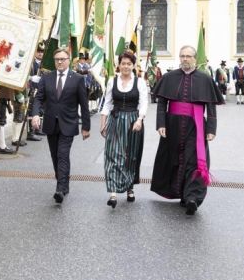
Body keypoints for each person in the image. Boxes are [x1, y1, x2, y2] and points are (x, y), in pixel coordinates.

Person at [151, 45, 223, 216]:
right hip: (172, 125)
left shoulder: (205, 79)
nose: (185, 59)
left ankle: (192, 198)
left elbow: (211, 106)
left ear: (195, 59)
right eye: (182, 56)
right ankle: (179, 192)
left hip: (196, 126)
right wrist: (161, 124)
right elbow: (162, 103)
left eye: (188, 56)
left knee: (195, 161)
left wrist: (211, 128)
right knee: (174, 159)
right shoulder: (169, 77)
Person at [30, 48, 91, 204]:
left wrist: (86, 127)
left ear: (68, 60)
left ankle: (59, 189)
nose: (59, 62)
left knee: (62, 154)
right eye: (57, 59)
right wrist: (36, 114)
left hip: (68, 123)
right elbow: (38, 98)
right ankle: (64, 182)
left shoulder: (77, 79)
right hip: (51, 123)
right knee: (55, 156)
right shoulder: (47, 77)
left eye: (62, 59)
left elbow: (84, 105)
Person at [99, 51, 148, 208]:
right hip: (115, 120)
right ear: (119, 65)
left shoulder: (139, 82)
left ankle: (129, 187)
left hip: (133, 121)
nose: (125, 66)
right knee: (112, 154)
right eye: (123, 63)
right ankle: (113, 192)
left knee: (130, 155)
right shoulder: (112, 81)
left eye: (129, 63)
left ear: (133, 65)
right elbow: (107, 103)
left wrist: (140, 120)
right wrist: (102, 123)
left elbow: (144, 102)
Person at [25, 42, 45, 141]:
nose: (40, 53)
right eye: (39, 51)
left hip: (40, 89)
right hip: (31, 90)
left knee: (39, 110)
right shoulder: (31, 63)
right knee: (31, 111)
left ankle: (37, 128)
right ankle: (30, 132)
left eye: (42, 51)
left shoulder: (43, 64)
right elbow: (25, 77)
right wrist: (31, 78)